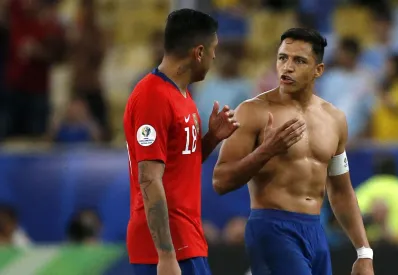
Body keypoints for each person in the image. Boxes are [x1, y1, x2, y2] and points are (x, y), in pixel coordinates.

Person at [213, 28, 374, 275]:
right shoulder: (252, 112)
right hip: (272, 228)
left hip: (315, 232)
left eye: (299, 60)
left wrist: (364, 252)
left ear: (318, 70)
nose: (287, 67)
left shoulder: (335, 119)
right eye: (282, 58)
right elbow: (220, 181)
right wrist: (266, 151)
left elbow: (341, 191)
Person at [123, 9, 239, 275]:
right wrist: (165, 255)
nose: (214, 56)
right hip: (164, 251)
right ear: (198, 52)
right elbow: (149, 178)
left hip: (188, 240)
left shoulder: (183, 95)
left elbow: (180, 164)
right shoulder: (152, 97)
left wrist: (211, 139)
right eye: (213, 49)